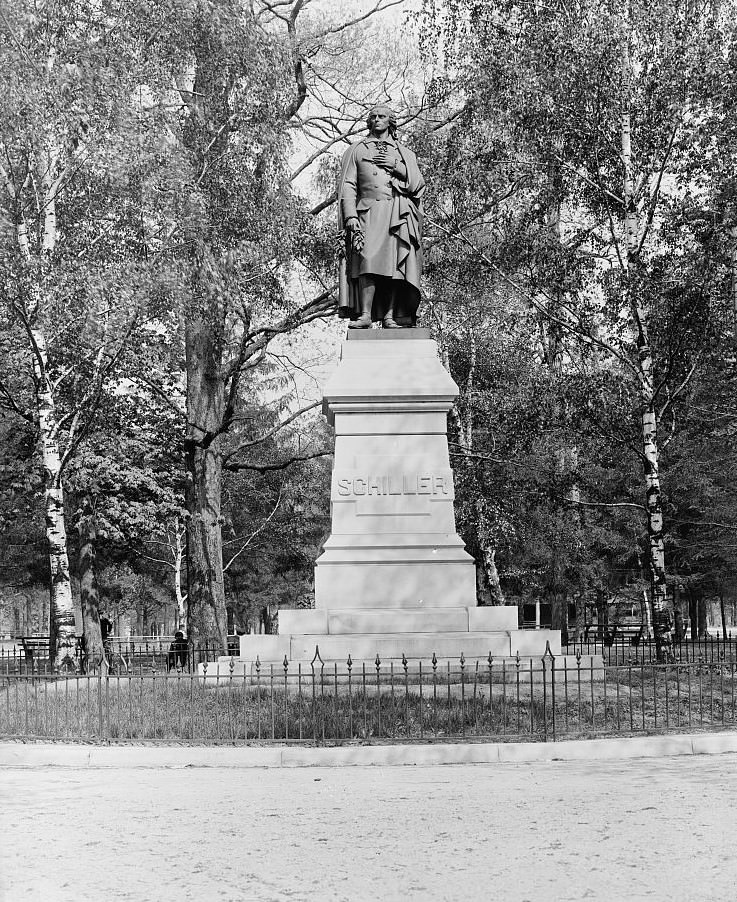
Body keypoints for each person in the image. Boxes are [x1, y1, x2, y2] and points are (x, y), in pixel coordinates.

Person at [337, 104, 425, 328]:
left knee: (395, 266)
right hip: (367, 212)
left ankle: (390, 315)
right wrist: (350, 216)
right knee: (367, 261)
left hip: (396, 213)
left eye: (382, 116)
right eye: (373, 116)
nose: (377, 119)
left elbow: (417, 184)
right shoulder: (357, 149)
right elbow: (348, 185)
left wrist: (396, 166)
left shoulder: (402, 152)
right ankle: (365, 314)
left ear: (390, 121)